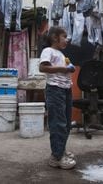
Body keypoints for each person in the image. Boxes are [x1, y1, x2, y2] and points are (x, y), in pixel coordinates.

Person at [39, 26, 77, 170]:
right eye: (64, 36)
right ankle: (56, 157)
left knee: (66, 123)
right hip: (55, 90)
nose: (67, 40)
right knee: (58, 122)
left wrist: (70, 67)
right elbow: (43, 68)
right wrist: (63, 69)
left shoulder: (61, 54)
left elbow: (69, 66)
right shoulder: (48, 51)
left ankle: (60, 150)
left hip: (65, 90)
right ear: (55, 37)